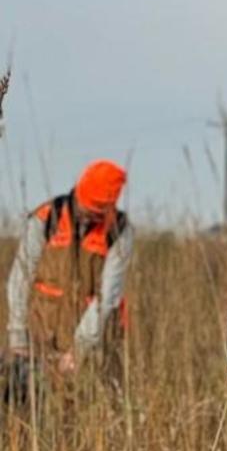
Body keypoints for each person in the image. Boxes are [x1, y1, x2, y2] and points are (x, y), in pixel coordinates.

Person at [5, 160, 132, 383]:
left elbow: (107, 297)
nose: (86, 216)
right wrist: (18, 337)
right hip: (41, 337)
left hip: (95, 341)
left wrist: (79, 348)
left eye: (95, 213)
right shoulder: (45, 219)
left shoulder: (119, 231)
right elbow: (20, 278)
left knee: (91, 407)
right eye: (84, 207)